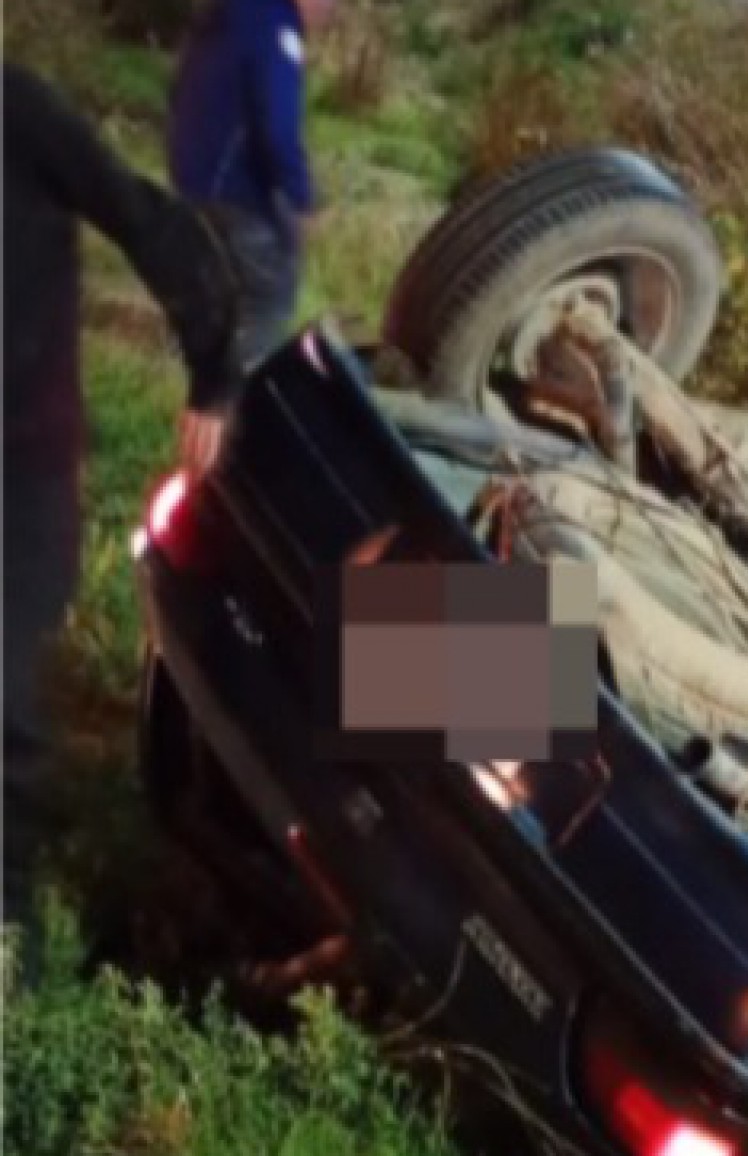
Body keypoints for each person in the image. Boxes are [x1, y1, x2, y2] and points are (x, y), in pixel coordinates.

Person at [4, 64, 241, 986]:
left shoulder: (15, 110)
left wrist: (215, 372)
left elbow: (144, 218)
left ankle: (9, 950)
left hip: (17, 474)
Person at [168, 0, 332, 371]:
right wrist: (300, 197)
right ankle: (236, 401)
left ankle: (189, 373)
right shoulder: (277, 28)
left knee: (214, 287)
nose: (333, 9)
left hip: (192, 177)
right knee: (271, 296)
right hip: (234, 189)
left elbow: (177, 90)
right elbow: (277, 128)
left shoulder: (229, 12)